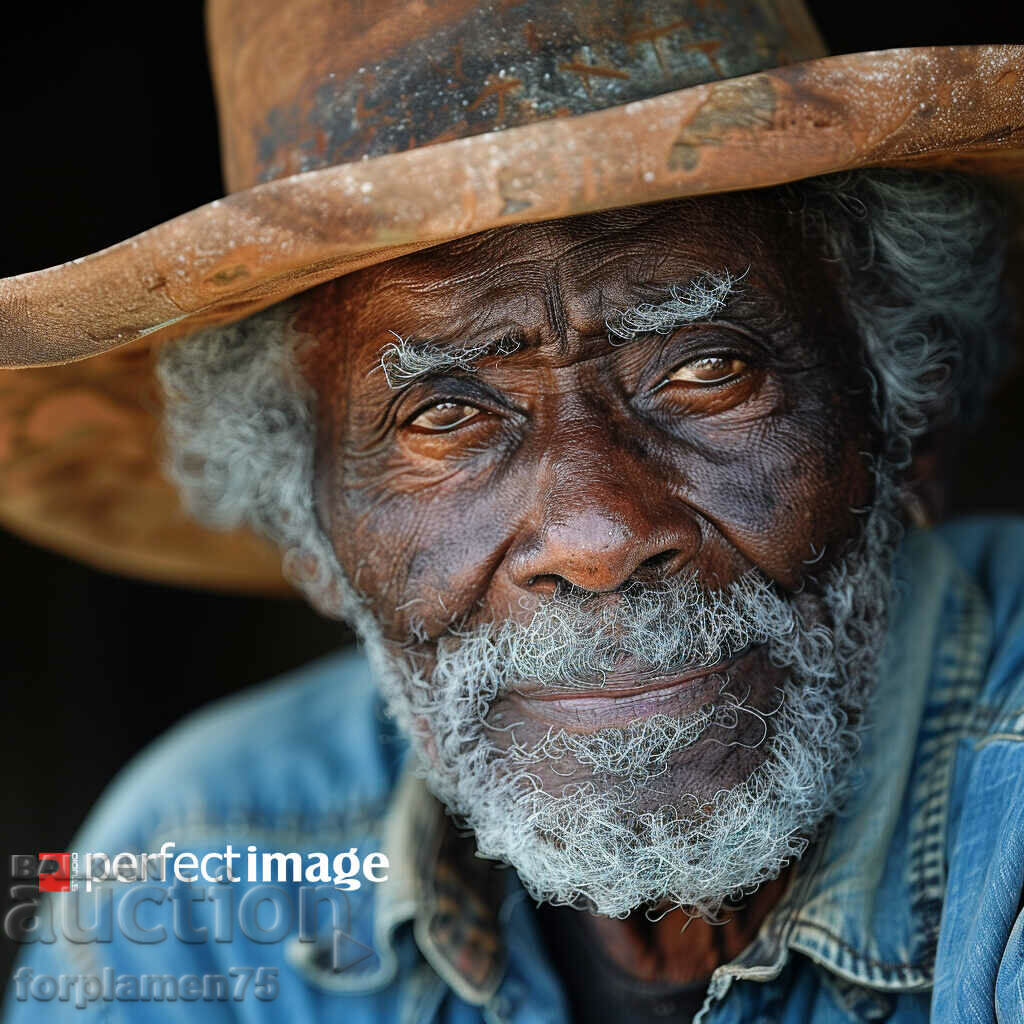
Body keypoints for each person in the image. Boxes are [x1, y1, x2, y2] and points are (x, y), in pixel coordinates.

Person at [2, 1, 1023, 1021]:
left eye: (708, 369)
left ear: (903, 421)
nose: (598, 537)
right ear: (307, 535)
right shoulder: (200, 886)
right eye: (443, 414)